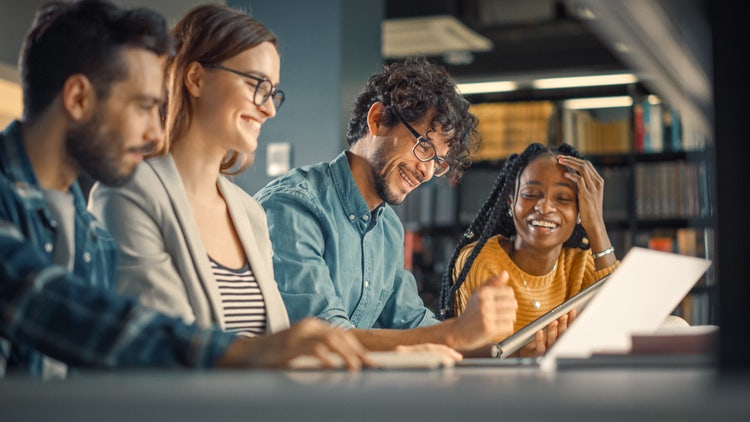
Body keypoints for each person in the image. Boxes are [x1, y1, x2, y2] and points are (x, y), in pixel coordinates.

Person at [0, 0, 369, 378]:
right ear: (78, 98)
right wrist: (244, 351)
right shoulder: (110, 199)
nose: (154, 133)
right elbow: (57, 306)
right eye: (143, 106)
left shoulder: (86, 230)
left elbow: (90, 361)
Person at [255, 57, 518, 355]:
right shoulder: (295, 206)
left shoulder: (388, 228)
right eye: (424, 148)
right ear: (378, 119)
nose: (427, 172)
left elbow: (411, 323)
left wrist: (505, 349)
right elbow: (327, 339)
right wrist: (455, 333)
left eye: (438, 162)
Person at [440, 142, 619, 356]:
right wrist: (526, 355)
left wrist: (597, 225)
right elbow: (473, 355)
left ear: (581, 210)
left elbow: (621, 326)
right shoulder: (481, 261)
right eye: (530, 194)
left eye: (563, 198)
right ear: (510, 202)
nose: (544, 207)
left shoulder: (583, 264)